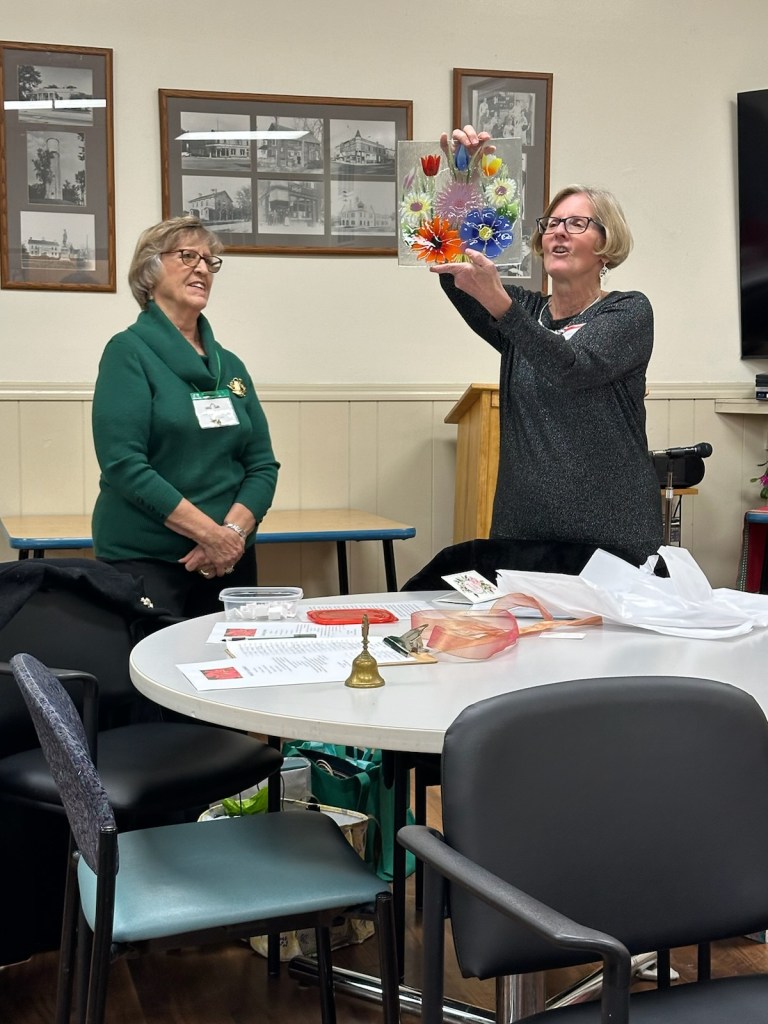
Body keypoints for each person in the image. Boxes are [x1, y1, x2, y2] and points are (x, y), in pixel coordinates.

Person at [431, 126, 663, 565]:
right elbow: (455, 272)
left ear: (607, 244)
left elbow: (571, 367)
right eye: (552, 223)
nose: (558, 232)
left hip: (612, 539)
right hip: (523, 533)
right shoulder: (524, 312)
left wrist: (502, 306)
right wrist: (464, 182)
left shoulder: (628, 312)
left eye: (576, 223)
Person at [91, 215, 279, 617]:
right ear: (149, 271)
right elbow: (124, 464)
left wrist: (231, 535)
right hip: (148, 560)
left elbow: (262, 465)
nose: (202, 269)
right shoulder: (128, 352)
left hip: (230, 559)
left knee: (232, 658)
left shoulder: (229, 365)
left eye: (209, 261)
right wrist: (211, 535)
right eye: (187, 256)